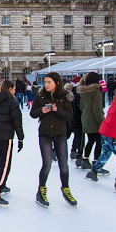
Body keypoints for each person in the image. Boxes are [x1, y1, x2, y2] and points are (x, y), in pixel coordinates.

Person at [30, 72, 76, 208]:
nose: (46, 84)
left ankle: (66, 189)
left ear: (57, 83)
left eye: (49, 82)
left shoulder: (65, 96)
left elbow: (69, 116)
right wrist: (41, 111)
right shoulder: (41, 95)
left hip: (60, 133)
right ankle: (41, 190)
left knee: (64, 164)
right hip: (44, 133)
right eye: (45, 82)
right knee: (47, 164)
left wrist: (57, 110)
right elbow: (33, 113)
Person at [0, 80, 24, 207]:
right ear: (10, 89)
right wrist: (21, 138)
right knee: (4, 165)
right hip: (5, 136)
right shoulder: (12, 102)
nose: (15, 91)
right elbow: (17, 121)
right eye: (14, 89)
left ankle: (1, 185)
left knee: (2, 164)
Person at [78, 72, 106, 171]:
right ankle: (96, 162)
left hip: (85, 117)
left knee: (90, 140)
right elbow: (97, 108)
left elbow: (81, 107)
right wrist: (102, 122)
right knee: (98, 141)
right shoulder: (96, 91)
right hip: (94, 119)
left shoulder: (83, 92)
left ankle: (85, 159)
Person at [66, 82, 84, 165]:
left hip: (68, 118)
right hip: (76, 119)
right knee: (78, 136)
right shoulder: (78, 95)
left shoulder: (68, 95)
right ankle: (75, 152)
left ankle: (55, 149)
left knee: (66, 135)